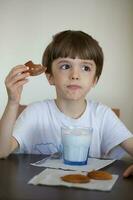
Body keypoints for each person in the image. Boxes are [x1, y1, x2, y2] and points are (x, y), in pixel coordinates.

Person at [0, 30, 133, 166]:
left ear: (94, 80)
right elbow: (2, 151)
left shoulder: (103, 115)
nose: (75, 75)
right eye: (65, 66)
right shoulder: (35, 113)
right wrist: (12, 102)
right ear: (50, 77)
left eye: (85, 68)